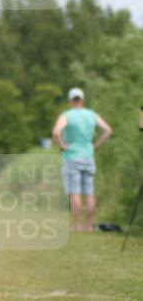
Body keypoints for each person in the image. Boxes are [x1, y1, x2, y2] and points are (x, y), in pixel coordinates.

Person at [52, 87, 112, 232]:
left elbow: (55, 132)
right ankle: (90, 226)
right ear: (82, 100)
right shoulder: (91, 114)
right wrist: (96, 146)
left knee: (74, 192)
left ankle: (77, 225)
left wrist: (62, 146)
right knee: (89, 193)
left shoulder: (67, 115)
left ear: (70, 101)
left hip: (72, 156)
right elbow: (108, 130)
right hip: (88, 156)